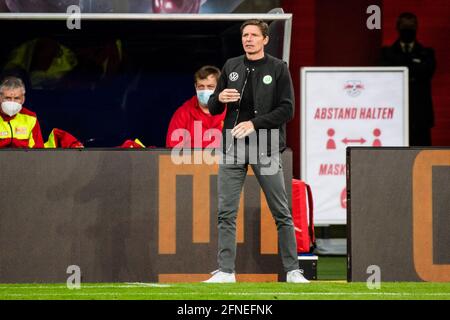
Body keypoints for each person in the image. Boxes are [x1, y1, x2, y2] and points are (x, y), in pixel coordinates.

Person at [205, 19, 309, 283]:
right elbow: (215, 108)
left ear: (265, 39)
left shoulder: (278, 68)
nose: (248, 39)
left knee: (281, 211)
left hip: (265, 144)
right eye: (245, 35)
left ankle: (293, 270)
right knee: (226, 211)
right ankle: (226, 271)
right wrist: (219, 98)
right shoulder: (231, 65)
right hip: (233, 145)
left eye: (253, 35)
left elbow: (287, 110)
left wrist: (254, 124)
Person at [380, 12, 436, 146]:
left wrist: (401, 66)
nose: (408, 30)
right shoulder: (386, 53)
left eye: (411, 27)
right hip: (395, 114)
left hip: (420, 115)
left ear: (416, 28)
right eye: (404, 27)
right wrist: (413, 66)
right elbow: (386, 74)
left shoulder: (427, 53)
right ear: (398, 28)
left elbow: (427, 71)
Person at [166, 65, 226, 149]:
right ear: (195, 87)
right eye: (201, 87)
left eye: (210, 87)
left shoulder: (232, 112)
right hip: (189, 162)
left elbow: (242, 149)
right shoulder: (183, 113)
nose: (205, 90)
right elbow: (171, 150)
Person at [0, 77, 44, 148]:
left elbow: (38, 150)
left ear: (23, 99)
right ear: (0, 98)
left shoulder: (31, 118)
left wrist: (14, 142)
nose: (12, 102)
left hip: (24, 159)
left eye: (16, 98)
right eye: (8, 98)